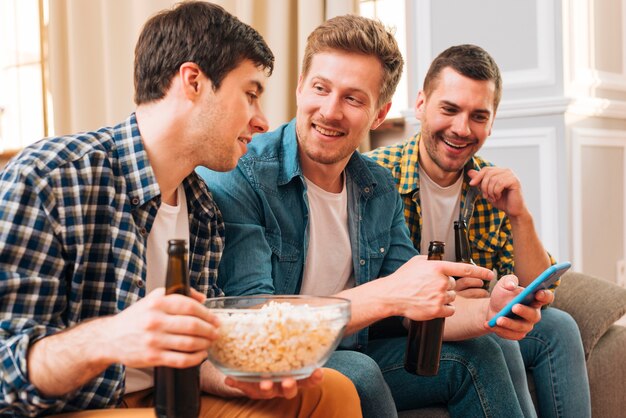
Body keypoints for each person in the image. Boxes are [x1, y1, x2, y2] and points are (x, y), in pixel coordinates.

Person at [0, 2, 362, 417]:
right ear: (193, 81)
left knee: (327, 391)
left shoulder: (203, 209)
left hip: (169, 396)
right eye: (250, 94)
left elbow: (195, 354)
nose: (262, 121)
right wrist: (109, 337)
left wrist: (232, 374)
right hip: (73, 405)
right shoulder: (50, 178)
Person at [197, 15, 555, 418]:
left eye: (353, 98)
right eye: (320, 88)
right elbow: (256, 324)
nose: (330, 111)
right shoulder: (242, 171)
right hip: (284, 361)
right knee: (360, 371)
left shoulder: (377, 186)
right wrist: (387, 294)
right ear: (300, 88)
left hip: (353, 348)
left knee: (481, 351)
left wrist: (490, 312)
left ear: (379, 114)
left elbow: (416, 303)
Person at [367, 44, 591, 418]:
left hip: (469, 312)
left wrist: (521, 216)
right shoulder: (377, 175)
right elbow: (376, 292)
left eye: (478, 116)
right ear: (421, 104)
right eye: (449, 109)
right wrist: (454, 295)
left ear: (492, 121)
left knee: (560, 327)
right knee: (493, 338)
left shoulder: (488, 186)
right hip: (403, 332)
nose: (461, 128)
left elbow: (541, 288)